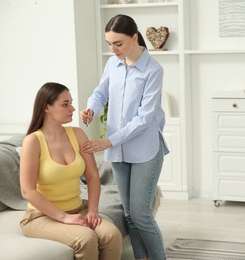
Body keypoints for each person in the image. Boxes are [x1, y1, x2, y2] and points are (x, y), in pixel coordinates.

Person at [80, 14, 169, 260]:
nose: (113, 49)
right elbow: (100, 92)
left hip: (145, 150)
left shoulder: (153, 70)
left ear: (134, 38)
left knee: (141, 214)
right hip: (118, 151)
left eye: (118, 43)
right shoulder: (113, 64)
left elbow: (144, 119)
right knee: (128, 214)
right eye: (109, 44)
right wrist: (91, 108)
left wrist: (108, 141)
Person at [19, 82, 122, 260]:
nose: (73, 108)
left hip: (77, 208)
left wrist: (92, 210)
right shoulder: (33, 141)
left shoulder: (78, 134)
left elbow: (92, 176)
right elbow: (27, 191)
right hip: (41, 217)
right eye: (65, 104)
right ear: (46, 107)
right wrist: (64, 217)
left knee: (112, 235)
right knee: (86, 238)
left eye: (71, 103)